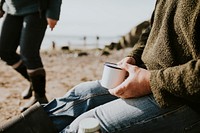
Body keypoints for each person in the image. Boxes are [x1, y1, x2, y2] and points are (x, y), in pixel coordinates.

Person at [1, 0, 200, 132]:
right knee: (78, 96)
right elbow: (154, 28)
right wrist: (133, 56)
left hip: (186, 97)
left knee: (86, 124)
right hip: (150, 75)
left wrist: (151, 81)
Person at [0, 0, 62, 112]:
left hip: (36, 8)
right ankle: (34, 82)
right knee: (4, 51)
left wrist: (53, 12)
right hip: (11, 8)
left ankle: (40, 97)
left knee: (29, 54)